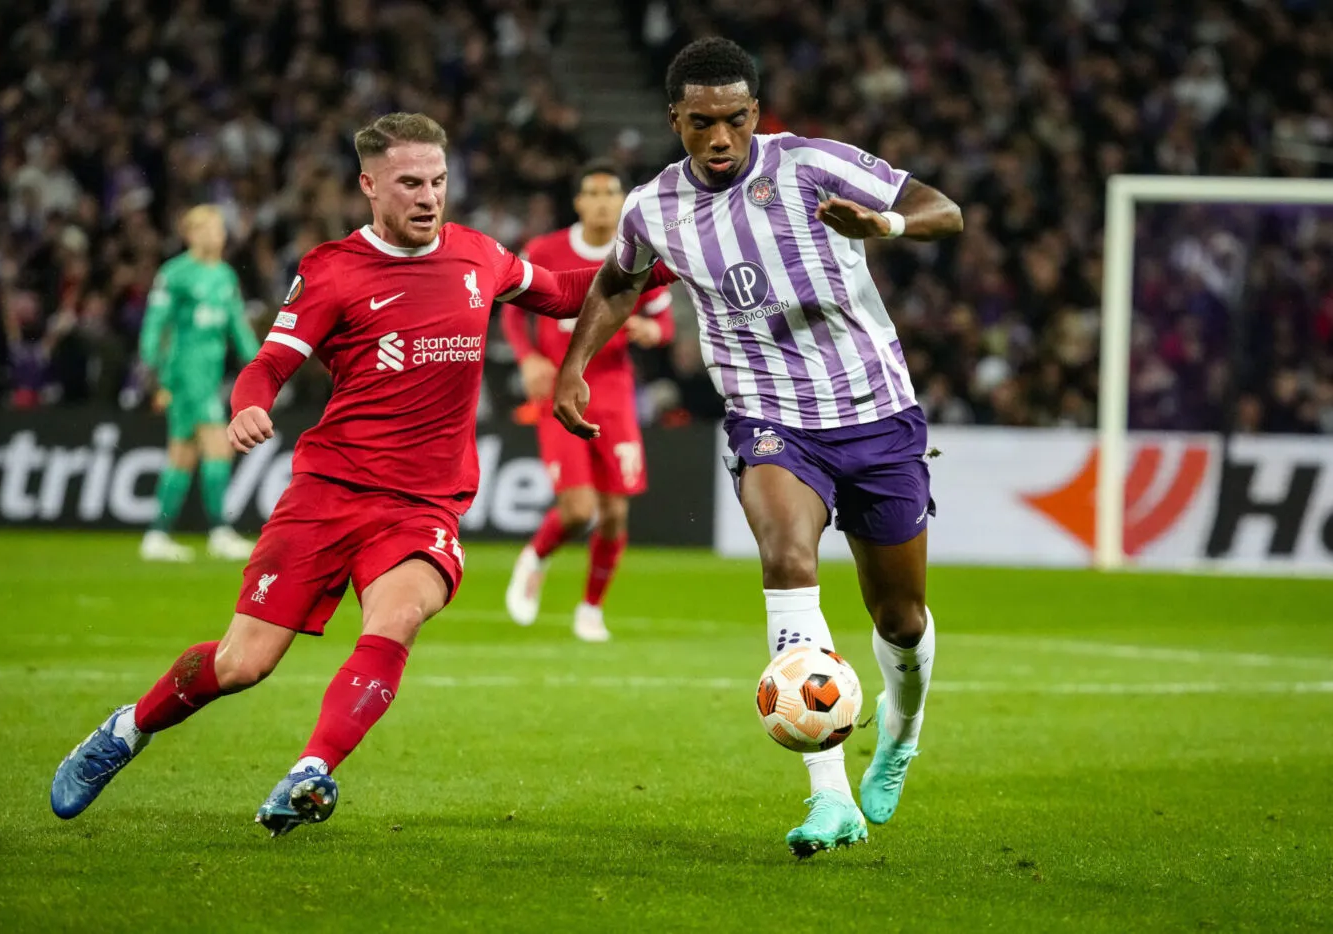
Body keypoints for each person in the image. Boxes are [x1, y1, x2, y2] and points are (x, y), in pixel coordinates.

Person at [50, 112, 675, 836]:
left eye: (439, 181)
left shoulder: (478, 256)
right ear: (369, 185)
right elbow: (267, 365)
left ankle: (310, 770)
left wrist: (668, 260)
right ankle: (128, 729)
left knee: (399, 615)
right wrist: (249, 406)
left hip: (423, 503)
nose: (428, 197)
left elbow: (568, 293)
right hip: (328, 492)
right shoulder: (332, 270)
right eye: (410, 182)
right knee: (243, 663)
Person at [551, 38, 963, 858]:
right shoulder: (652, 208)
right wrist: (573, 367)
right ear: (675, 120)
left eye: (735, 119)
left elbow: (942, 210)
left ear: (753, 114)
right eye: (700, 122)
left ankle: (903, 731)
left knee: (901, 618)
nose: (719, 138)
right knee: (787, 560)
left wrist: (881, 222)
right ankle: (829, 798)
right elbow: (618, 280)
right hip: (769, 418)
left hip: (877, 415)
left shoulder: (810, 164)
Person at [501, 159, 675, 642]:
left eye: (610, 194)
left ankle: (591, 609)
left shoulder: (639, 254)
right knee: (579, 510)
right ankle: (535, 557)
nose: (601, 202)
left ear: (622, 202)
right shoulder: (546, 250)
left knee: (615, 514)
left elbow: (665, 324)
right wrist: (528, 359)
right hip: (562, 392)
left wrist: (649, 330)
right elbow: (513, 311)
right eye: (592, 194)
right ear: (579, 202)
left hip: (615, 394)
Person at [137, 205, 260, 562]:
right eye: (210, 227)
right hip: (184, 376)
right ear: (192, 234)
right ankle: (220, 531)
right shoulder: (175, 274)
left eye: (220, 227)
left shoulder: (224, 276)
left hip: (209, 376)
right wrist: (155, 372)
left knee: (182, 456)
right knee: (217, 447)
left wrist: (262, 366)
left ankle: (157, 535)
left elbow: (238, 327)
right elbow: (154, 326)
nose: (218, 234)